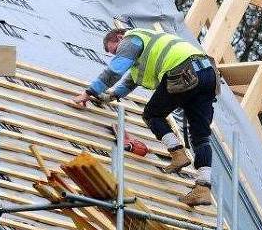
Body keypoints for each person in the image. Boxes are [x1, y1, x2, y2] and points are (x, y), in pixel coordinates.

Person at [71, 27, 218, 207]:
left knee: (152, 114)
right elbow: (131, 80)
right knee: (201, 137)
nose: (117, 54)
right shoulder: (149, 45)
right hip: (208, 73)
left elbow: (115, 70)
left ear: (119, 37)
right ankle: (203, 189)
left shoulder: (132, 39)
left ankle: (178, 154)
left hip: (183, 70)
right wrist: (110, 96)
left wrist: (89, 92)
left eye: (115, 50)